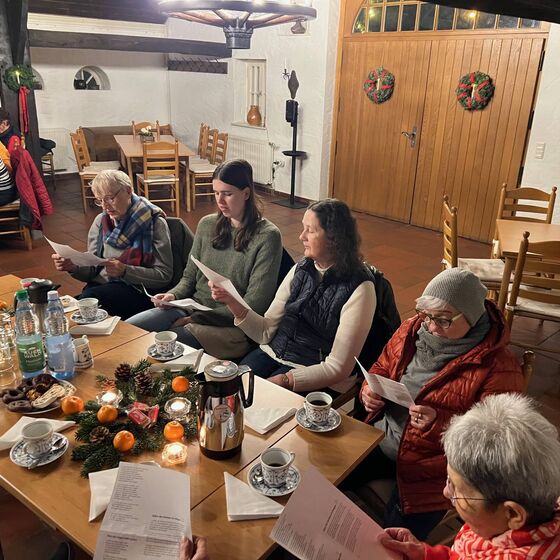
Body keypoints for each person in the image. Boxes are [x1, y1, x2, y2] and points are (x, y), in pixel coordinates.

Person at [348, 268, 525, 540]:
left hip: (433, 471)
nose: (431, 327)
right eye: (427, 316)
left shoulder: (498, 366)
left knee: (392, 541)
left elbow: (496, 444)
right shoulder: (412, 329)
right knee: (322, 477)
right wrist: (369, 391)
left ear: (471, 316)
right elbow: (382, 366)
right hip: (381, 437)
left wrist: (441, 424)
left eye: (443, 320)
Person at [211, 198, 377, 393]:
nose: (301, 236)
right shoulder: (301, 268)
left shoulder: (361, 288)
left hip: (314, 370)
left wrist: (286, 380)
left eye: (310, 230)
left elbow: (338, 368)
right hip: (273, 353)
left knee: (256, 401)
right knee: (229, 390)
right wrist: (232, 302)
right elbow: (265, 331)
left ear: (335, 239)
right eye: (303, 228)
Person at [127, 159, 282, 359]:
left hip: (231, 326)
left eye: (227, 194)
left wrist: (196, 319)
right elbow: (189, 277)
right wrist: (173, 296)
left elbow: (254, 305)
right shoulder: (207, 224)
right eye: (216, 193)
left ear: (246, 193)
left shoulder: (268, 236)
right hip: (192, 309)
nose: (220, 201)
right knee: (129, 331)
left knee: (162, 347)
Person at [379, 393, 560, 559]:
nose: (446, 492)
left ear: (512, 514)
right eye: (449, 481)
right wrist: (425, 555)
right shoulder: (497, 522)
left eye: (457, 489)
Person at [51, 169, 172, 319]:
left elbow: (164, 276)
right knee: (69, 307)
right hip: (102, 288)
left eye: (110, 198)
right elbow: (92, 270)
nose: (105, 206)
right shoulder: (101, 222)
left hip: (138, 290)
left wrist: (126, 271)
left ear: (128, 191)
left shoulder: (154, 222)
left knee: (87, 303)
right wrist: (73, 267)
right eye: (99, 200)